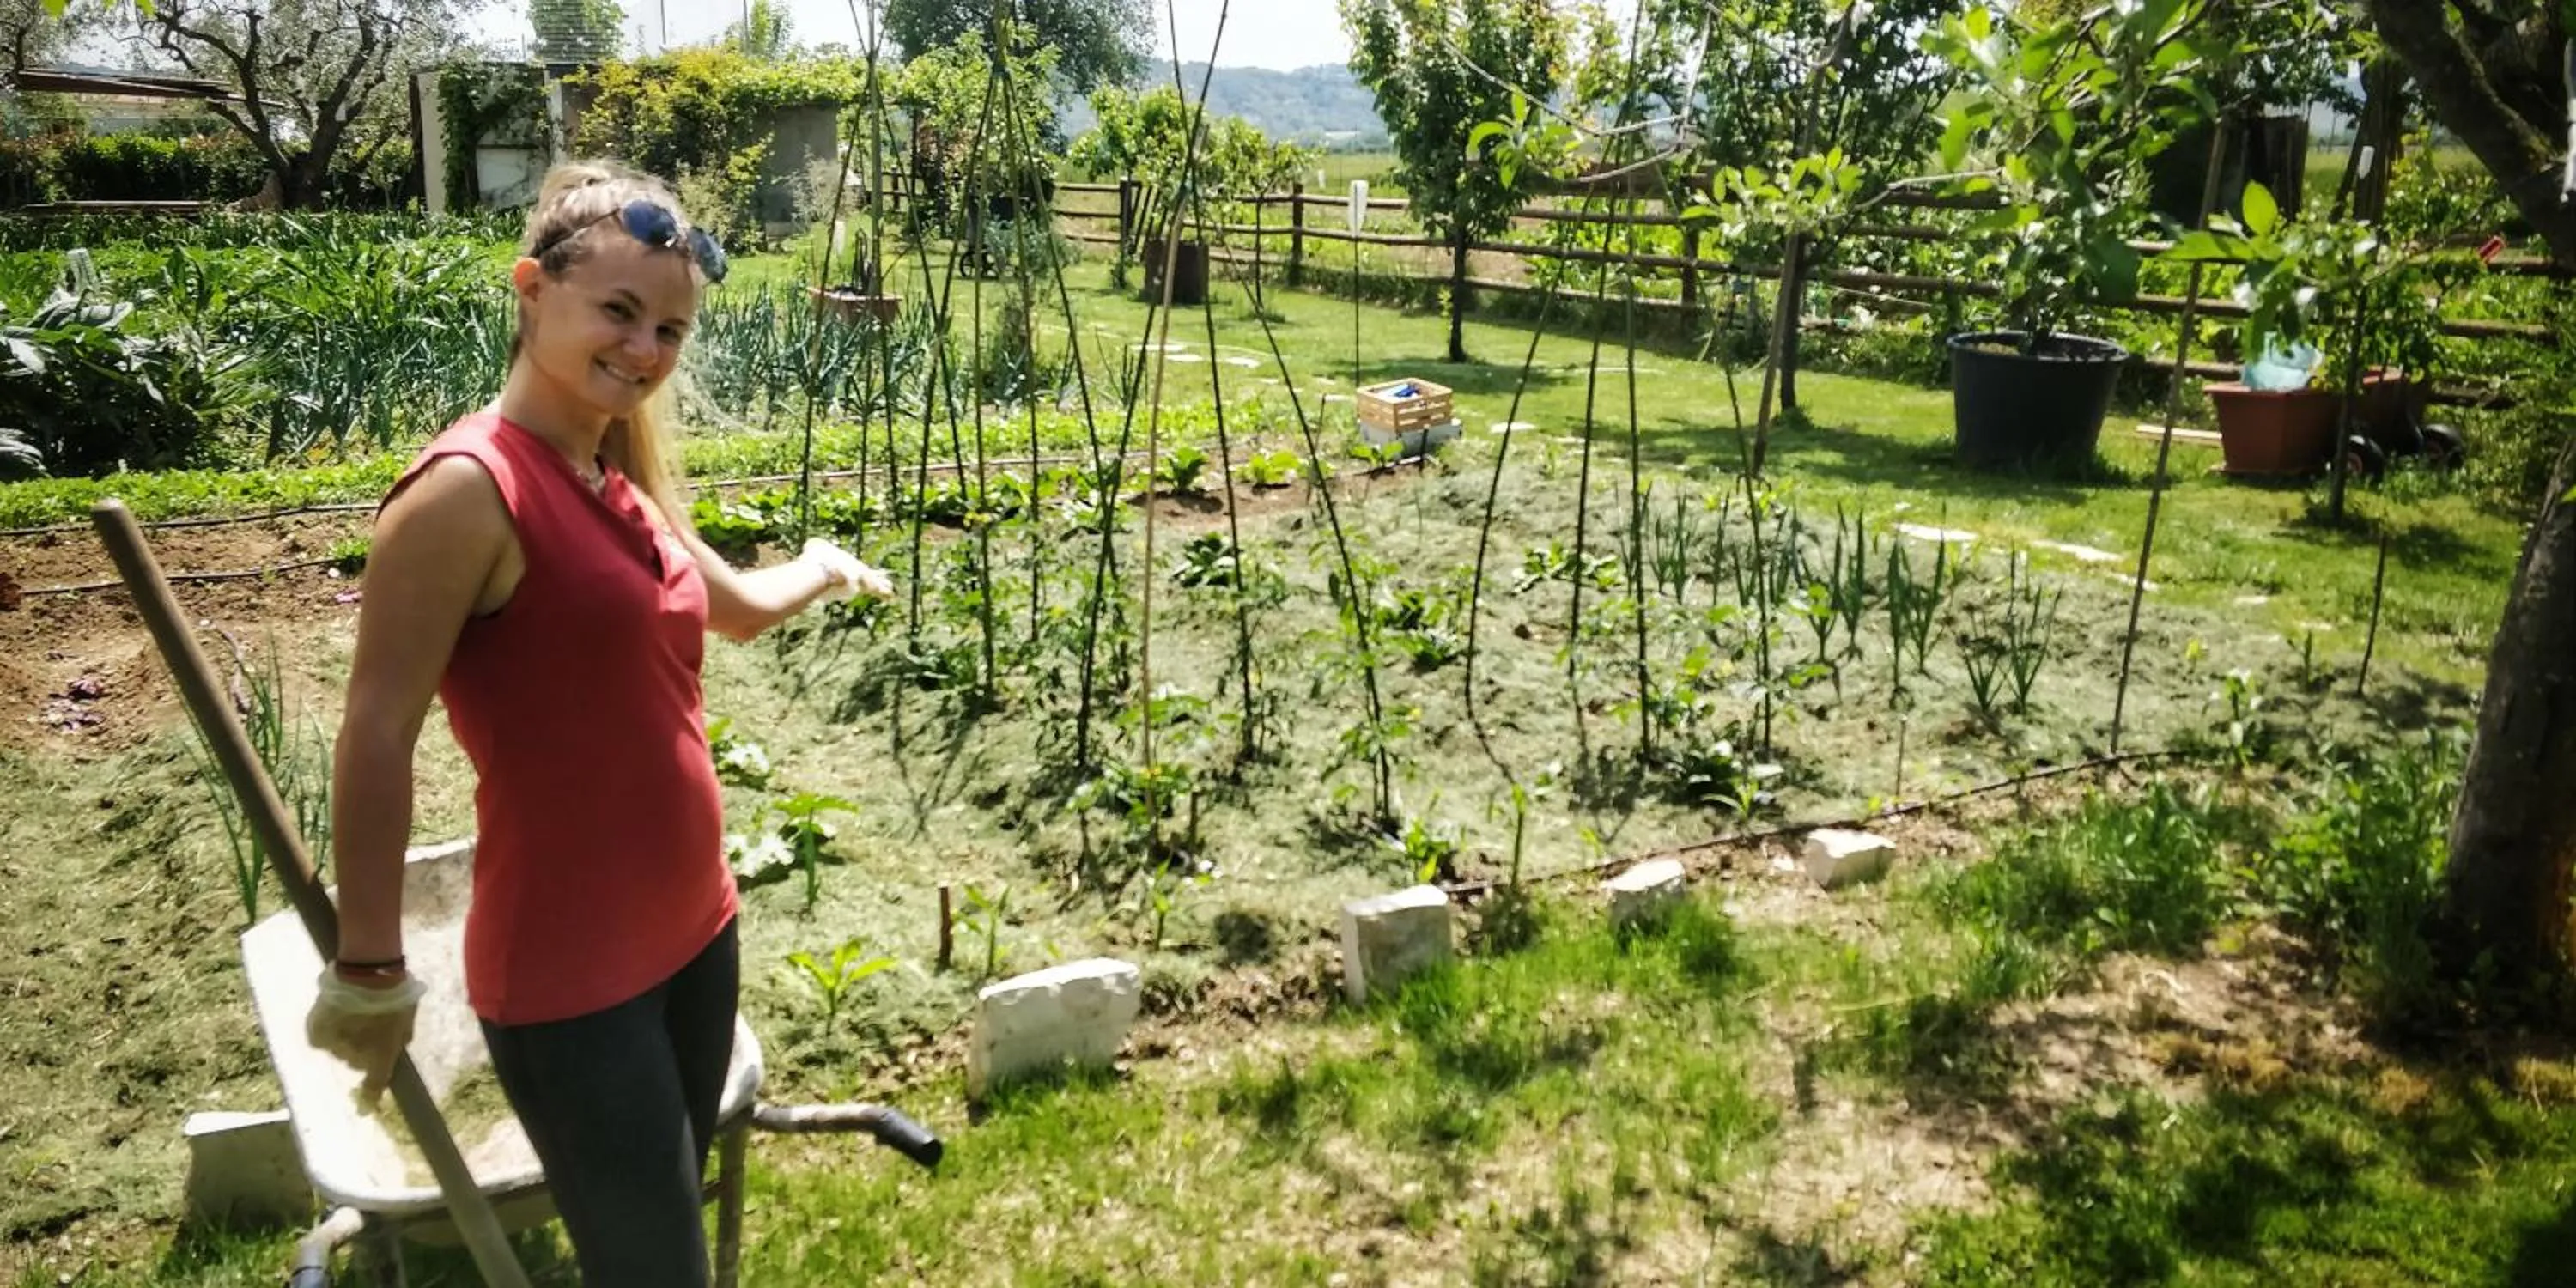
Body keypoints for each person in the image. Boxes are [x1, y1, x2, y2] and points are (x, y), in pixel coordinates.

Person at [307, 161, 891, 1285]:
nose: (645, 348)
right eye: (618, 312)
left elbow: (735, 611)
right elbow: (377, 729)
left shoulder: (612, 475)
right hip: (574, 979)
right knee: (655, 1266)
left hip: (696, 933)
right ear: (533, 289)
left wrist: (815, 567)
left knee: (667, 1216)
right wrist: (369, 967)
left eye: (669, 327)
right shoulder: (468, 491)